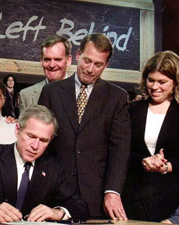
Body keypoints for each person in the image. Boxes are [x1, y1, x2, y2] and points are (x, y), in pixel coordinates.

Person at [38, 33, 130, 220]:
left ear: (107, 65)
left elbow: (120, 149)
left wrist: (112, 191)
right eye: (87, 61)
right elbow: (40, 142)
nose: (90, 69)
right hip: (55, 192)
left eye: (98, 64)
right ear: (78, 55)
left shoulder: (117, 97)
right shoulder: (51, 92)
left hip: (96, 195)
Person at [0, 105, 89, 223]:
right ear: (17, 130)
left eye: (43, 140)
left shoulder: (54, 167)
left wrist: (57, 212)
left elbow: (79, 206)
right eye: (31, 136)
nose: (35, 146)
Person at [122, 51, 179, 222]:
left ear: (175, 83)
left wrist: (167, 166)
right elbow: (121, 151)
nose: (154, 87)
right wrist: (143, 161)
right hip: (133, 199)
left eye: (162, 82)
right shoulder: (132, 110)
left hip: (170, 200)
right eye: (151, 80)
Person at [19, 34, 72, 112]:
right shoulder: (26, 95)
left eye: (57, 59)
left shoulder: (81, 93)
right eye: (47, 59)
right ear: (41, 60)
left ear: (68, 60)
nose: (52, 65)